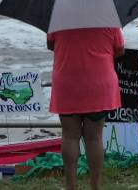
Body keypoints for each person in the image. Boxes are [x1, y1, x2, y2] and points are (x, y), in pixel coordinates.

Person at [48, 27, 124, 190]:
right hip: (99, 82)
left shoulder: (58, 17)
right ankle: (95, 186)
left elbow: (51, 45)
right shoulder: (108, 19)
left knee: (70, 136)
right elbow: (119, 50)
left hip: (67, 81)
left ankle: (70, 186)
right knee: (94, 137)